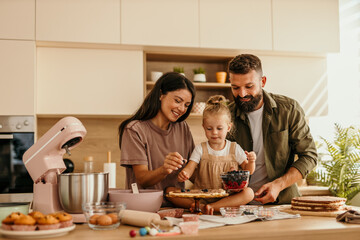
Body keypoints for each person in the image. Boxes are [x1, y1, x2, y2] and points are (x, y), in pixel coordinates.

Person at [226, 54, 318, 204]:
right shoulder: (226, 115)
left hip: (283, 203)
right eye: (235, 87)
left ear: (262, 81)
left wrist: (278, 185)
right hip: (238, 205)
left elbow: (309, 156)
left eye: (249, 86)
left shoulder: (288, 109)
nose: (242, 94)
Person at [118, 72, 195, 206]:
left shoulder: (183, 128)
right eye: (178, 101)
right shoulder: (134, 130)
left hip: (178, 208)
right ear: (161, 94)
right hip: (144, 208)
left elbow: (193, 170)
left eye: (187, 105)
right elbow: (142, 178)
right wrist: (164, 169)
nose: (182, 109)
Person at [178, 95, 256, 214]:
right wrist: (185, 173)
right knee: (170, 191)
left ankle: (211, 207)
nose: (214, 132)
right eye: (209, 129)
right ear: (203, 127)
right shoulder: (200, 148)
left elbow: (249, 171)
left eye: (219, 128)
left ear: (228, 127)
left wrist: (251, 161)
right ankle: (203, 206)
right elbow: (190, 167)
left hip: (227, 198)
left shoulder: (234, 148)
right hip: (202, 196)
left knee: (249, 193)